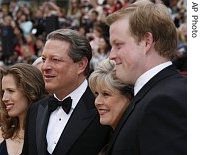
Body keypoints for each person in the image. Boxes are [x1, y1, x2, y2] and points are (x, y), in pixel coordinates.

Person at [105, 0, 187, 155]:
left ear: (146, 42)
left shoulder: (163, 102)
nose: (111, 55)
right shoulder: (160, 94)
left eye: (118, 45)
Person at [21, 29, 111, 155]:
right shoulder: (36, 110)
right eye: (43, 59)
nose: (45, 67)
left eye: (55, 60)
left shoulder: (104, 109)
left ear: (81, 65)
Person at [0, 63, 48, 155]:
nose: (4, 98)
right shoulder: (1, 133)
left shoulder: (48, 132)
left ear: (30, 91)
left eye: (11, 91)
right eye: (3, 92)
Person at [88, 59, 133, 155]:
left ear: (128, 96)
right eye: (97, 94)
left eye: (106, 94)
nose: (97, 102)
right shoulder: (103, 138)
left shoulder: (136, 141)